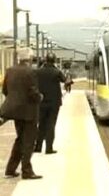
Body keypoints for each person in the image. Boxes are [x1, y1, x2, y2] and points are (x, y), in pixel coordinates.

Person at [1, 48, 43, 179]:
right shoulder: (30, 72)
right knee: (29, 140)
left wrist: (15, 100)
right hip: (29, 112)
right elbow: (32, 92)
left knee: (20, 139)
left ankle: (10, 169)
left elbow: (5, 90)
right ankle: (27, 171)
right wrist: (40, 97)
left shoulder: (10, 70)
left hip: (15, 111)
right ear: (29, 59)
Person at [35, 53, 66, 154]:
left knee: (41, 124)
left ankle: (38, 147)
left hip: (41, 102)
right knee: (51, 125)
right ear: (54, 60)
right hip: (54, 103)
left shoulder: (38, 71)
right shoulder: (57, 72)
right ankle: (49, 148)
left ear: (45, 60)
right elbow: (65, 80)